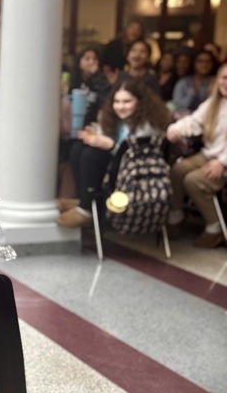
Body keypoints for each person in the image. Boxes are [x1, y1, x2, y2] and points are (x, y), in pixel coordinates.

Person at [57, 80, 171, 228]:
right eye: (117, 101)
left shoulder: (148, 126)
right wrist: (95, 134)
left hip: (134, 173)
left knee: (90, 155)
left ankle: (86, 209)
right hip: (115, 165)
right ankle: (83, 201)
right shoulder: (116, 120)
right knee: (77, 148)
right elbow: (110, 136)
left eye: (127, 101)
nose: (120, 106)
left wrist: (110, 145)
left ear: (140, 102)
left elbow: (136, 157)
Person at [166, 62, 227, 248]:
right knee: (177, 170)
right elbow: (193, 122)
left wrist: (222, 162)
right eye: (224, 78)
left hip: (223, 161)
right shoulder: (213, 103)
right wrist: (176, 129)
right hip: (209, 155)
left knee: (194, 180)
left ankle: (215, 227)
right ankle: (176, 215)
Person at [171, 49, 217, 116]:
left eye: (208, 62)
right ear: (194, 63)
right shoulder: (183, 83)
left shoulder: (218, 82)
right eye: (200, 61)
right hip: (186, 119)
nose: (204, 65)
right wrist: (193, 93)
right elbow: (176, 106)